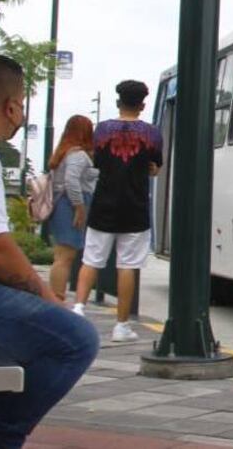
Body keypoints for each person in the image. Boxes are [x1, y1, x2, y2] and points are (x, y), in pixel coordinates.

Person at [0, 54, 99, 449]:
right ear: (11, 107)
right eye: (22, 104)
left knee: (42, 330)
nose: (22, 114)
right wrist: (48, 298)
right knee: (75, 339)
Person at [73, 80, 162, 343]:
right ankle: (121, 326)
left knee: (91, 260)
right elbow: (155, 167)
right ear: (142, 105)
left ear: (117, 102)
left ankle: (78, 309)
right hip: (135, 207)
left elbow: (97, 161)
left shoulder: (101, 130)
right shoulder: (152, 133)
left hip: (103, 204)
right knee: (127, 266)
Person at [46, 115, 98, 302]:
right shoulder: (77, 155)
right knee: (66, 256)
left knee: (61, 254)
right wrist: (79, 207)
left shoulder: (64, 152)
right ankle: (57, 297)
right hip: (69, 205)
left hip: (61, 205)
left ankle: (55, 296)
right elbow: (71, 180)